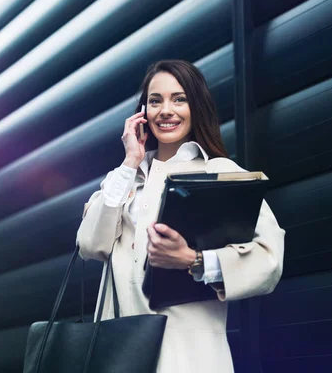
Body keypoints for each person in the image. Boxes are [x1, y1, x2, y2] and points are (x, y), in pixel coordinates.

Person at [76, 60, 285, 372]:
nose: (165, 110)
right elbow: (90, 245)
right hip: (118, 352)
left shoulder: (220, 174)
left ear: (196, 106)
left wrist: (193, 259)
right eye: (155, 100)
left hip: (188, 355)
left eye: (179, 99)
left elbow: (269, 258)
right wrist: (130, 161)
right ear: (142, 112)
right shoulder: (122, 179)